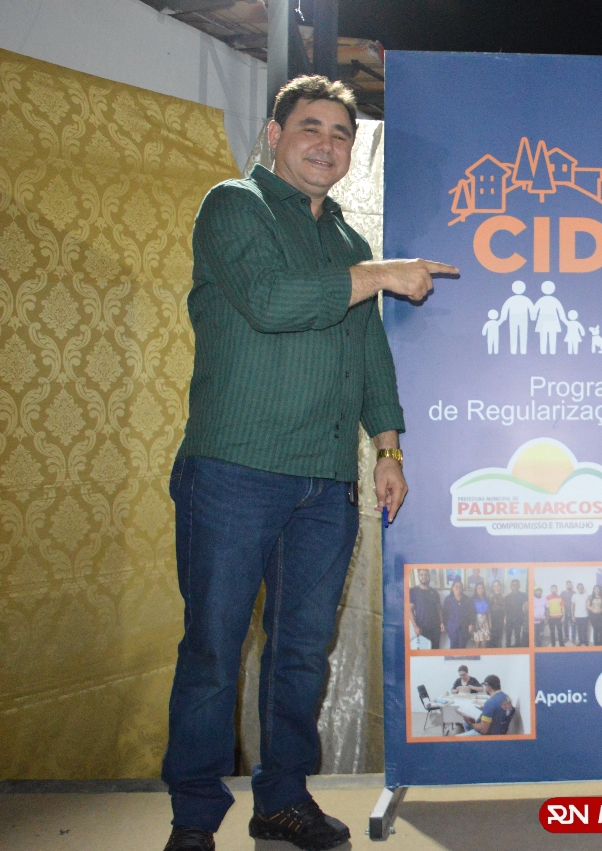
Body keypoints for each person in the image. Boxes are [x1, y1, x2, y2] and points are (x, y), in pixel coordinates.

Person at [160, 75, 458, 851]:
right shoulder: (234, 206)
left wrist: (387, 448)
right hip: (233, 472)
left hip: (326, 485)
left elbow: (369, 353)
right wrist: (383, 273)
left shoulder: (349, 241)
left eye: (340, 134)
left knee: (300, 653)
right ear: (274, 134)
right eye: (310, 127)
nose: (326, 144)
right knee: (214, 649)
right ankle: (193, 816)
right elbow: (271, 301)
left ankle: (282, 799)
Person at [409, 569, 442, 650]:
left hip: (436, 628)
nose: (424, 576)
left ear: (429, 576)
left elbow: (439, 609)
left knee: (435, 650)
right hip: (421, 628)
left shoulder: (434, 592)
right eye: (421, 574)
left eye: (426, 574)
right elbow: (410, 610)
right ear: (418, 576)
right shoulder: (413, 591)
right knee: (423, 651)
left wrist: (441, 623)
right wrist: (415, 626)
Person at [443, 580, 475, 649]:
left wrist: (471, 624)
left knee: (462, 647)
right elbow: (445, 613)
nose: (458, 588)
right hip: (452, 627)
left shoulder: (467, 599)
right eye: (456, 586)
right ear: (452, 588)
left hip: (464, 628)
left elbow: (471, 613)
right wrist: (444, 625)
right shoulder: (448, 599)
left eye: (460, 587)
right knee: (453, 647)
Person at [504, 578, 526, 647]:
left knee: (517, 636)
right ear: (511, 587)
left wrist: (523, 616)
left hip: (518, 619)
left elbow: (526, 606)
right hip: (509, 619)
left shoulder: (523, 595)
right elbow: (505, 609)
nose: (515, 586)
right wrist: (505, 618)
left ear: (519, 586)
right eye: (513, 585)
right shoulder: (507, 597)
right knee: (508, 637)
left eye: (516, 585)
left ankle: (517, 650)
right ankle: (508, 650)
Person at [472, 582, 491, 648]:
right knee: (477, 641)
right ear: (476, 589)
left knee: (484, 641)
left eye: (482, 588)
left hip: (485, 622)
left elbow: (488, 612)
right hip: (477, 622)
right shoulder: (473, 599)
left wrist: (490, 622)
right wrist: (473, 624)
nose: (480, 589)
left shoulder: (486, 599)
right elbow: (471, 613)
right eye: (479, 588)